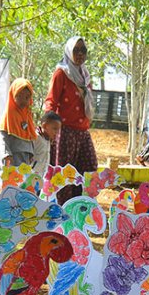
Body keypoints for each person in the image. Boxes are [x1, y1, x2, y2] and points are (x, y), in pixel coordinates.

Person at [44, 36, 97, 204]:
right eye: (76, 50)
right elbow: (51, 100)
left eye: (83, 50)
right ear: (68, 51)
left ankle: (80, 208)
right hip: (65, 132)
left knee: (88, 170)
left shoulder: (85, 75)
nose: (80, 54)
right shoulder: (62, 73)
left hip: (82, 132)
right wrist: (48, 130)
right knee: (65, 174)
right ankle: (63, 212)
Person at [0, 78, 37, 167]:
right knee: (13, 179)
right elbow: (3, 136)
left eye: (27, 97)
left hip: (26, 157)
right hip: (13, 157)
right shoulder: (9, 115)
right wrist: (6, 154)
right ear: (13, 95)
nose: (23, 100)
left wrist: (31, 153)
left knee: (25, 179)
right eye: (19, 96)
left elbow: (29, 135)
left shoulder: (28, 115)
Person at [32, 111, 62, 177]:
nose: (57, 132)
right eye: (55, 129)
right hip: (30, 174)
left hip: (41, 176)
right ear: (44, 126)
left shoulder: (48, 140)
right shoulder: (35, 137)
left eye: (58, 130)